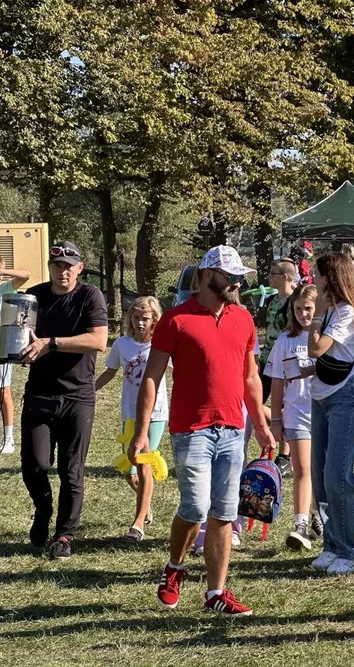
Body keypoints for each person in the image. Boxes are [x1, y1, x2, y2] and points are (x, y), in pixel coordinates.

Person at [131, 245, 275, 615]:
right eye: (230, 276)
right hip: (191, 427)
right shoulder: (176, 319)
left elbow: (250, 376)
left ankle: (215, 593)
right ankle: (175, 567)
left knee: (225, 514)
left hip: (232, 428)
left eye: (239, 277)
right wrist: (141, 431)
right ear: (208, 275)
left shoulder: (242, 318)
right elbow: (152, 377)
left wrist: (260, 423)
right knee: (195, 508)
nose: (237, 282)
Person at [19, 241, 107, 560]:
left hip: (77, 395)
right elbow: (17, 334)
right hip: (39, 393)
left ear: (80, 268)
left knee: (72, 470)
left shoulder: (90, 296)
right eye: (57, 265)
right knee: (34, 465)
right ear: (50, 268)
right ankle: (43, 509)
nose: (63, 271)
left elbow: (98, 340)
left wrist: (50, 344)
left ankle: (65, 535)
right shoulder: (35, 296)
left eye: (69, 265)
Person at [308, 252, 354, 575]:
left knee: (338, 476)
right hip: (319, 398)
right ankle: (331, 544)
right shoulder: (331, 309)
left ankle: (350, 551)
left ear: (330, 278)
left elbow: (316, 348)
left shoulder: (345, 311)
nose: (312, 280)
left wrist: (317, 316)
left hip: (344, 399)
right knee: (321, 479)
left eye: (316, 274)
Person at [95, 296, 168, 541]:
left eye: (145, 318)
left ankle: (137, 525)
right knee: (129, 469)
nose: (140, 323)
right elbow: (110, 372)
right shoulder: (122, 345)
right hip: (129, 414)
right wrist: (89, 389)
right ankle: (145, 502)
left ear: (154, 320)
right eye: (136, 317)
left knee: (144, 463)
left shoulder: (161, 344)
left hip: (155, 414)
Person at [264, 283, 319, 551]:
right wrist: (276, 418)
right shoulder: (286, 341)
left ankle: (321, 516)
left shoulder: (328, 338)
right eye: (298, 309)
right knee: (302, 469)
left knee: (323, 470)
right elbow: (276, 383)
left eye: (308, 309)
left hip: (324, 412)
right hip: (297, 413)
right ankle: (301, 523)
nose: (303, 314)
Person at [261, 259, 297, 477]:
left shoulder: (294, 302)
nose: (269, 277)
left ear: (285, 277)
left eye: (273, 273)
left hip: (284, 363)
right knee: (253, 402)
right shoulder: (273, 300)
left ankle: (285, 456)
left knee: (283, 407)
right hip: (267, 359)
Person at [0, 256, 32, 455]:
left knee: (3, 391)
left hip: (1, 345)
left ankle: (9, 439)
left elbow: (26, 275)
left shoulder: (5, 288)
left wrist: (3, 273)